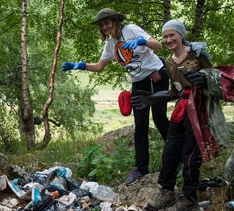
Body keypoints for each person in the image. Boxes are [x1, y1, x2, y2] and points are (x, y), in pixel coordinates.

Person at [61, 8, 169, 186]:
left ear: (115, 21)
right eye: (101, 25)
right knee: (140, 125)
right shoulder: (110, 44)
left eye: (107, 22)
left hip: (155, 77)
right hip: (138, 83)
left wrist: (141, 41)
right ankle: (141, 169)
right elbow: (99, 66)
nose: (104, 27)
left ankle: (178, 154)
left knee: (159, 119)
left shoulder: (131, 30)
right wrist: (78, 66)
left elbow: (158, 45)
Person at [132, 19, 223, 211]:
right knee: (170, 151)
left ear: (181, 35)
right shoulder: (170, 62)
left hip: (197, 111)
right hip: (181, 109)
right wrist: (153, 97)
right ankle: (166, 191)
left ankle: (189, 198)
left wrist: (205, 78)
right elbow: (175, 91)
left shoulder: (198, 54)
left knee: (189, 155)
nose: (168, 39)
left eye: (172, 35)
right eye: (165, 36)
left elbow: (216, 79)